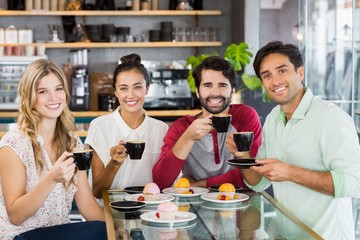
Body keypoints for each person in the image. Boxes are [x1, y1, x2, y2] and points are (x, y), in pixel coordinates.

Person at [226, 41, 360, 239]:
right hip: (286, 235)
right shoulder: (273, 119)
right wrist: (242, 155)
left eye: (282, 71)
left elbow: (354, 183)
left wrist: (290, 172)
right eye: (267, 75)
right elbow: (259, 182)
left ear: (300, 73)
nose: (275, 81)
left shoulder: (331, 117)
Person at [0, 59, 106, 240]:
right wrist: (51, 178)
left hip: (60, 233)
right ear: (29, 98)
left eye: (58, 89)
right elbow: (15, 216)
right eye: (43, 92)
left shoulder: (72, 142)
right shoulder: (13, 145)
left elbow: (87, 205)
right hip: (21, 236)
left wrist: (121, 229)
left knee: (104, 232)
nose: (54, 98)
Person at [153, 56, 262, 190]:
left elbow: (253, 178)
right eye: (207, 85)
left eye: (222, 85)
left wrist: (200, 184)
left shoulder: (245, 116)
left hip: (241, 202)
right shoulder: (182, 127)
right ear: (198, 92)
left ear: (233, 91)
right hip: (195, 206)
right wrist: (188, 138)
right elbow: (161, 182)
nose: (215, 92)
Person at [85, 53, 169, 199]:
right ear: (115, 91)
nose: (130, 95)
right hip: (109, 209)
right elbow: (97, 192)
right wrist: (114, 163)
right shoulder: (99, 126)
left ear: (147, 89)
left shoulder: (161, 130)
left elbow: (166, 184)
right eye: (123, 88)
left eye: (137, 87)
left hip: (148, 209)